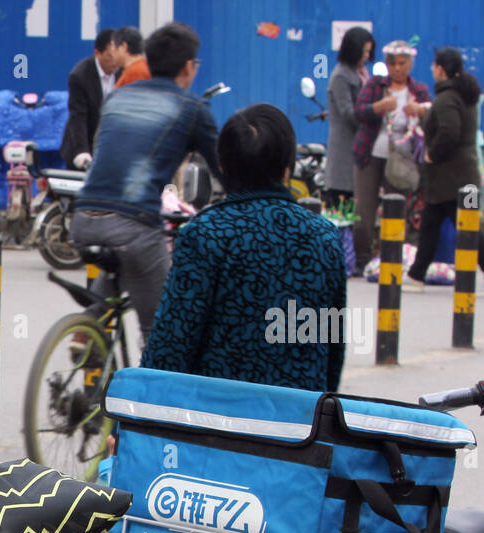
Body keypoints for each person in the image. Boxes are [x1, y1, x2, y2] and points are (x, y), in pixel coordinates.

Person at [144, 104, 347, 392]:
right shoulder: (324, 238)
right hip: (299, 426)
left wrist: (133, 421)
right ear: (287, 169)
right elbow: (330, 350)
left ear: (223, 167)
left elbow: (171, 347)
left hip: (217, 424)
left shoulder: (205, 234)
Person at [70, 22, 222, 346]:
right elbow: (225, 171)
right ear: (188, 67)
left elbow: (104, 152)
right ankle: (152, 376)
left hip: (82, 218)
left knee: (125, 264)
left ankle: (86, 330)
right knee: (163, 325)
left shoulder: (118, 97)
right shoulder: (192, 108)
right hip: (133, 225)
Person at [405, 47, 484, 297]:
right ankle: (416, 276)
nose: (431, 69)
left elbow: (449, 131)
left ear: (441, 69)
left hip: (450, 182)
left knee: (465, 228)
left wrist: (432, 153)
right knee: (437, 225)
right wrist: (424, 113)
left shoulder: (447, 97)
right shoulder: (465, 94)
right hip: (466, 177)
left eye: (433, 66)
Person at [352, 40, 430, 271]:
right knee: (364, 209)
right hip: (371, 153)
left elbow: (432, 116)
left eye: (402, 63)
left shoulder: (419, 90)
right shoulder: (376, 85)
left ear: (410, 64)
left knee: (397, 207)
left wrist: (419, 111)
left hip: (402, 158)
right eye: (393, 64)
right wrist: (378, 107)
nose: (397, 68)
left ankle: (393, 255)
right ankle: (362, 258)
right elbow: (358, 112)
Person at [323, 25, 373, 212]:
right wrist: (374, 111)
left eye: (369, 52)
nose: (367, 56)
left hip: (362, 149)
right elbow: (348, 114)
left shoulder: (363, 72)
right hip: (344, 151)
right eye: (364, 52)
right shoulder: (340, 77)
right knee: (341, 211)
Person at [59, 27, 115, 169]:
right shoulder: (80, 76)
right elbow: (78, 116)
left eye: (117, 55)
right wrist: (82, 151)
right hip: (83, 143)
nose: (115, 61)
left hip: (109, 146)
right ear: (97, 53)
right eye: (110, 56)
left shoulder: (122, 72)